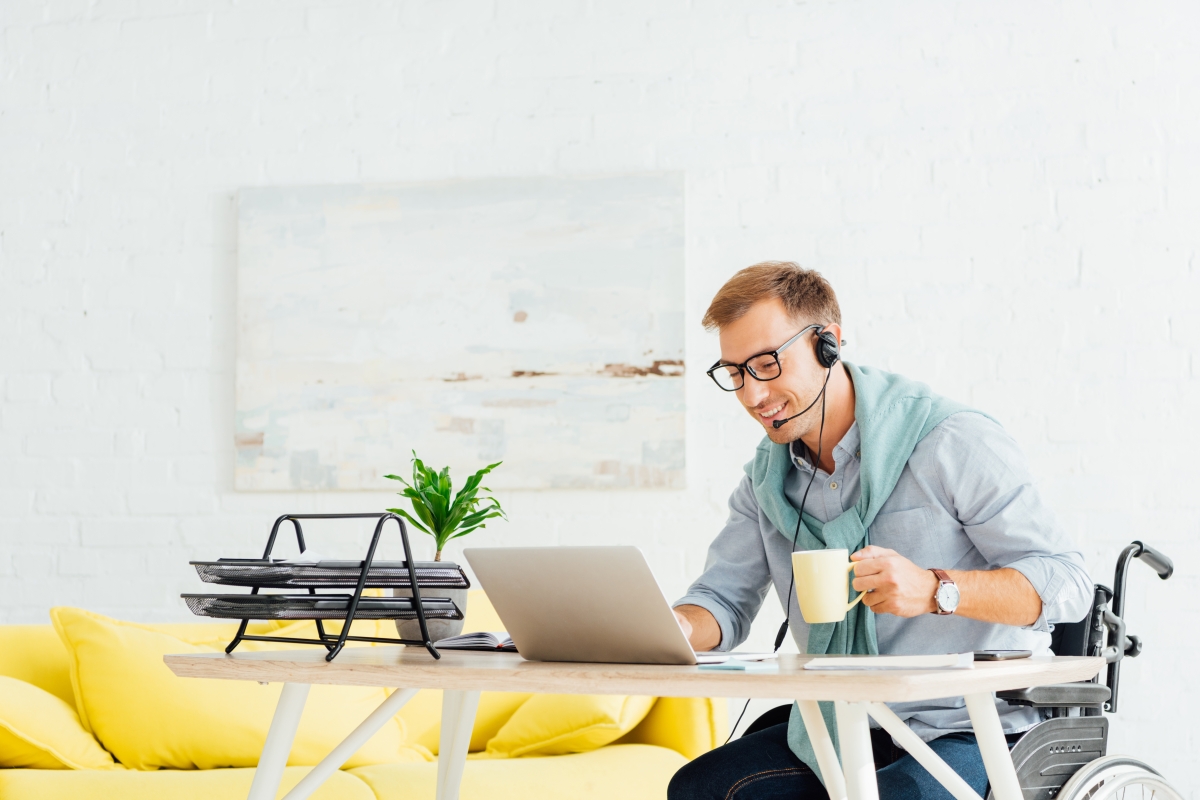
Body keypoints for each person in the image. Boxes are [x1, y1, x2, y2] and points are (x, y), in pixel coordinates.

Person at [668, 262, 1093, 800]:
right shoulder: (766, 481)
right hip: (841, 726)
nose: (752, 396)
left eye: (767, 364)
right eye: (735, 373)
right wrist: (668, 628)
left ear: (829, 343)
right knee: (703, 787)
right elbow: (721, 603)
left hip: (971, 727)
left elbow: (1069, 582)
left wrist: (938, 590)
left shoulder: (950, 441)